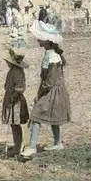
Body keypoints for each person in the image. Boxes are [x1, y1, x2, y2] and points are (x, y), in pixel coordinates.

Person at [21, 21, 71, 158]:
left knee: (36, 115)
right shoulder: (52, 53)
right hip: (56, 90)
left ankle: (31, 147)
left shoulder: (51, 56)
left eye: (40, 38)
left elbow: (49, 82)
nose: (38, 40)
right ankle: (57, 142)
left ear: (47, 41)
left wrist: (40, 94)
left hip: (52, 91)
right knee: (53, 115)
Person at [1, 47, 30, 157]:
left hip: (15, 102)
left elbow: (19, 87)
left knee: (15, 124)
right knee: (13, 124)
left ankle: (18, 146)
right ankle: (17, 144)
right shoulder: (12, 70)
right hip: (11, 99)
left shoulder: (17, 72)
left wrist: (13, 98)